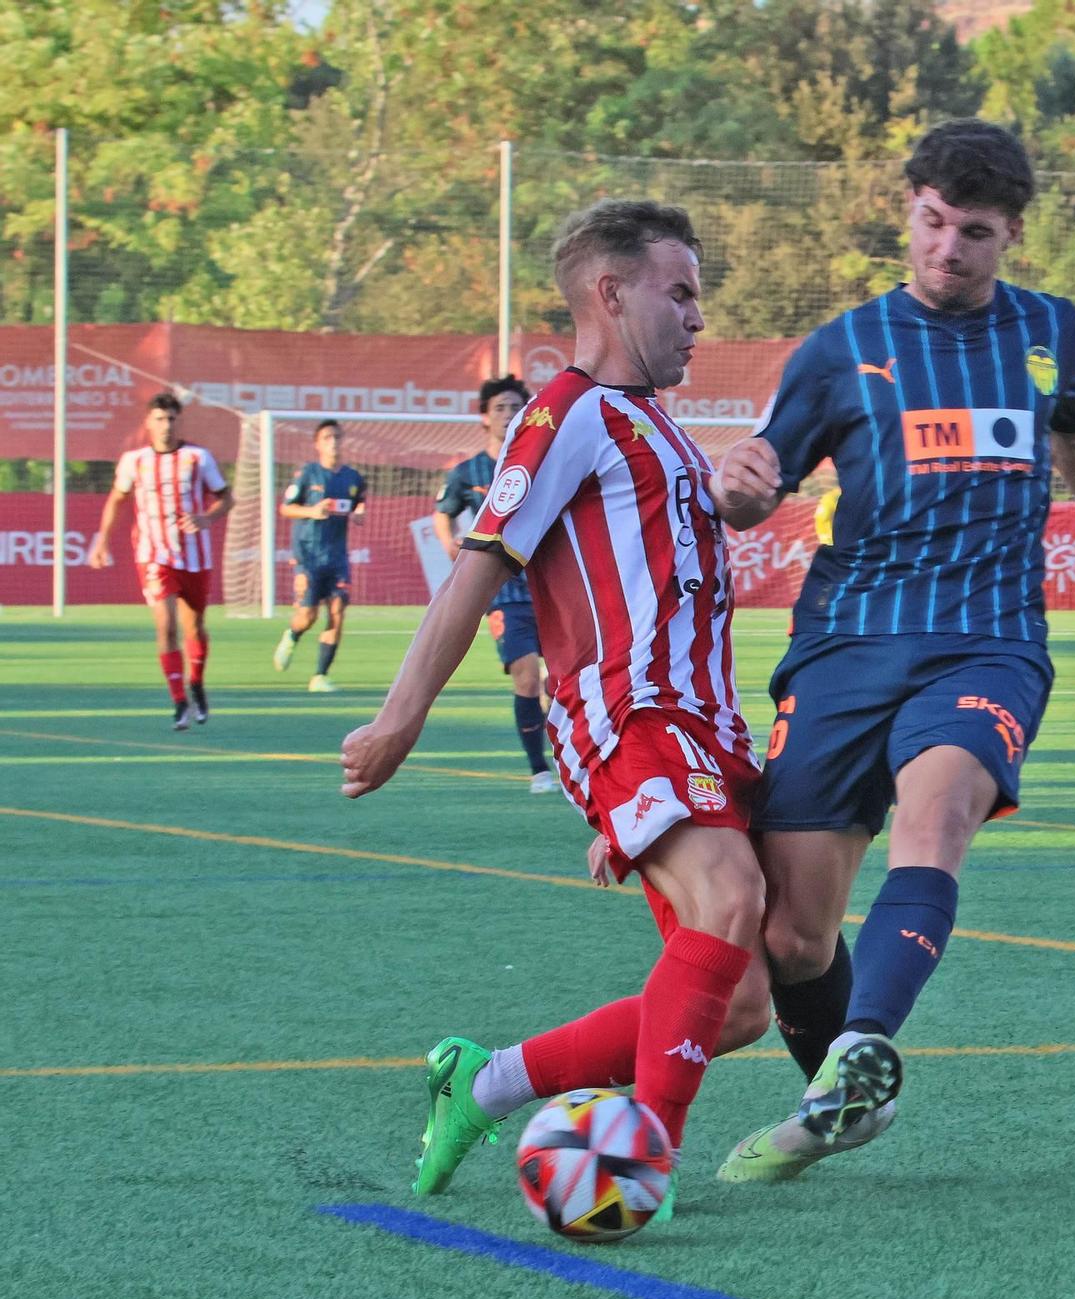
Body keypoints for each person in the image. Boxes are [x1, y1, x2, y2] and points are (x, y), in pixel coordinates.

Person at [706, 118, 1075, 1182]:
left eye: (976, 232)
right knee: (792, 940)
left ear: (1013, 236)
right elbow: (755, 478)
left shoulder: (1048, 332)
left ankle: (865, 1050)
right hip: (845, 646)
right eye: (932, 222)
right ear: (906, 210)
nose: (948, 249)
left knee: (937, 812)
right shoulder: (840, 349)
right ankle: (839, 1100)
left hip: (987, 641)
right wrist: (737, 490)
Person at [338, 200, 768, 1205]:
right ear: (611, 295)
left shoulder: (654, 423)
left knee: (738, 1003)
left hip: (701, 731)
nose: (699, 316)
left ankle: (480, 1082)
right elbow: (479, 569)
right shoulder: (565, 411)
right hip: (631, 720)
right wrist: (402, 716)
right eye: (681, 292)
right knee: (733, 898)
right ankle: (638, 1160)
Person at [433, 376, 557, 794]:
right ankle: (539, 769)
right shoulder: (467, 472)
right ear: (484, 417)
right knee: (525, 676)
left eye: (514, 408)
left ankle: (574, 758)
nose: (507, 416)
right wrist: (450, 541)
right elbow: (444, 513)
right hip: (503, 590)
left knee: (557, 684)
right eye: (499, 408)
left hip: (550, 586)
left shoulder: (543, 461)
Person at [85, 392, 234, 729]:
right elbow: (116, 500)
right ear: (148, 423)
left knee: (193, 625)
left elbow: (227, 498)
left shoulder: (198, 458)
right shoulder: (134, 461)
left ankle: (195, 682)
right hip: (154, 556)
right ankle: (179, 701)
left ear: (179, 421)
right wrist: (102, 541)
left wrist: (207, 518)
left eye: (171, 419)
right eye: (159, 419)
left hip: (195, 557)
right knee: (165, 627)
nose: (166, 425)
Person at [273, 419, 367, 693]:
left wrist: (360, 511)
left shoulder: (353, 477)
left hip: (337, 558)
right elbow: (286, 508)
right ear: (317, 444)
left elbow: (359, 501)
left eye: (337, 437)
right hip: (308, 556)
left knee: (337, 612)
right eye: (327, 437)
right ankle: (292, 635)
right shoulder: (307, 474)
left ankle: (320, 676)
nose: (333, 442)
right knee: (308, 616)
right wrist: (312, 512)